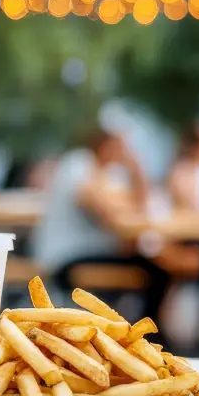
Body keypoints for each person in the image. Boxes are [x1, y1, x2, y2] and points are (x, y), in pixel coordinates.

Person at [35, 126, 174, 325]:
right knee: (156, 271)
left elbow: (137, 206)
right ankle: (146, 333)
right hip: (66, 255)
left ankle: (140, 331)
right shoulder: (78, 163)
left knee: (158, 267)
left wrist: (136, 172)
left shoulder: (109, 173)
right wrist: (121, 208)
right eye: (122, 145)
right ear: (106, 144)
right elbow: (101, 209)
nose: (125, 152)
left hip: (90, 253)